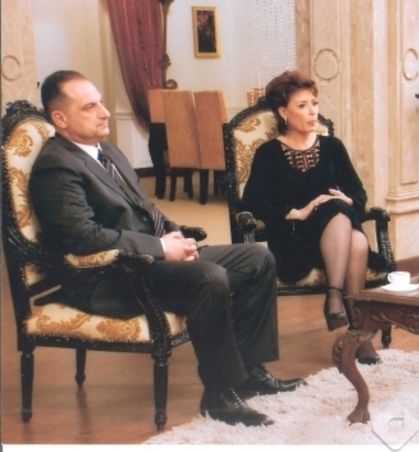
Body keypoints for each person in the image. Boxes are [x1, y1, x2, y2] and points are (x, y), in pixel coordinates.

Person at [30, 70, 304, 427]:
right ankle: (220, 396)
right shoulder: (56, 164)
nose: (104, 112)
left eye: (101, 102)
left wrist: (176, 238)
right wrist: (160, 248)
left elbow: (145, 209)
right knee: (208, 276)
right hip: (107, 277)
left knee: (257, 258)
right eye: (89, 107)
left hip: (146, 261)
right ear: (61, 118)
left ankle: (251, 371)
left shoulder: (106, 151)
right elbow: (82, 237)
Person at [241, 71, 382, 365]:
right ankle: (356, 327)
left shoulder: (333, 147)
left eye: (314, 103)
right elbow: (252, 201)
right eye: (302, 105)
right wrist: (295, 212)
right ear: (283, 112)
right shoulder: (269, 153)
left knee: (344, 219)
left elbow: (358, 193)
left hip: (337, 238)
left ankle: (339, 304)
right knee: (352, 234)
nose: (312, 111)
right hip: (296, 239)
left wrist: (348, 200)